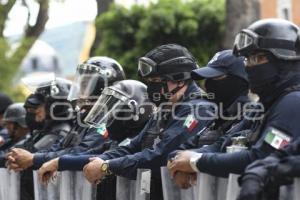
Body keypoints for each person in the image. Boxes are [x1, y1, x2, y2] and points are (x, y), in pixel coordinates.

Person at [38, 44, 215, 200]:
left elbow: (160, 155)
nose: (152, 87)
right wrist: (66, 162)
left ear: (180, 78)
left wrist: (107, 167)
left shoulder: (198, 109)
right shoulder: (165, 110)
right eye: (149, 82)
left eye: (156, 81)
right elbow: (132, 147)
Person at [167, 19, 300, 180]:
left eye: (258, 58)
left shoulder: (293, 102)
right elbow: (221, 144)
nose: (250, 66)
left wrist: (195, 162)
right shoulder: (262, 107)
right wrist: (179, 161)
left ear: (286, 59)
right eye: (248, 59)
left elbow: (261, 158)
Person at [5, 57, 126, 171]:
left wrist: (33, 159)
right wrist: (31, 158)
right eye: (80, 84)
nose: (80, 90)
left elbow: (83, 151)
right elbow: (60, 147)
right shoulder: (83, 117)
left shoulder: (107, 119)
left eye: (85, 84)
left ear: (102, 87)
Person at [168, 49, 254, 188]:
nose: (208, 84)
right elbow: (178, 150)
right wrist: (180, 163)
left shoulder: (251, 116)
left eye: (216, 78)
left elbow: (231, 157)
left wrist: (192, 163)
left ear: (237, 80)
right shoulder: (218, 117)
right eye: (207, 79)